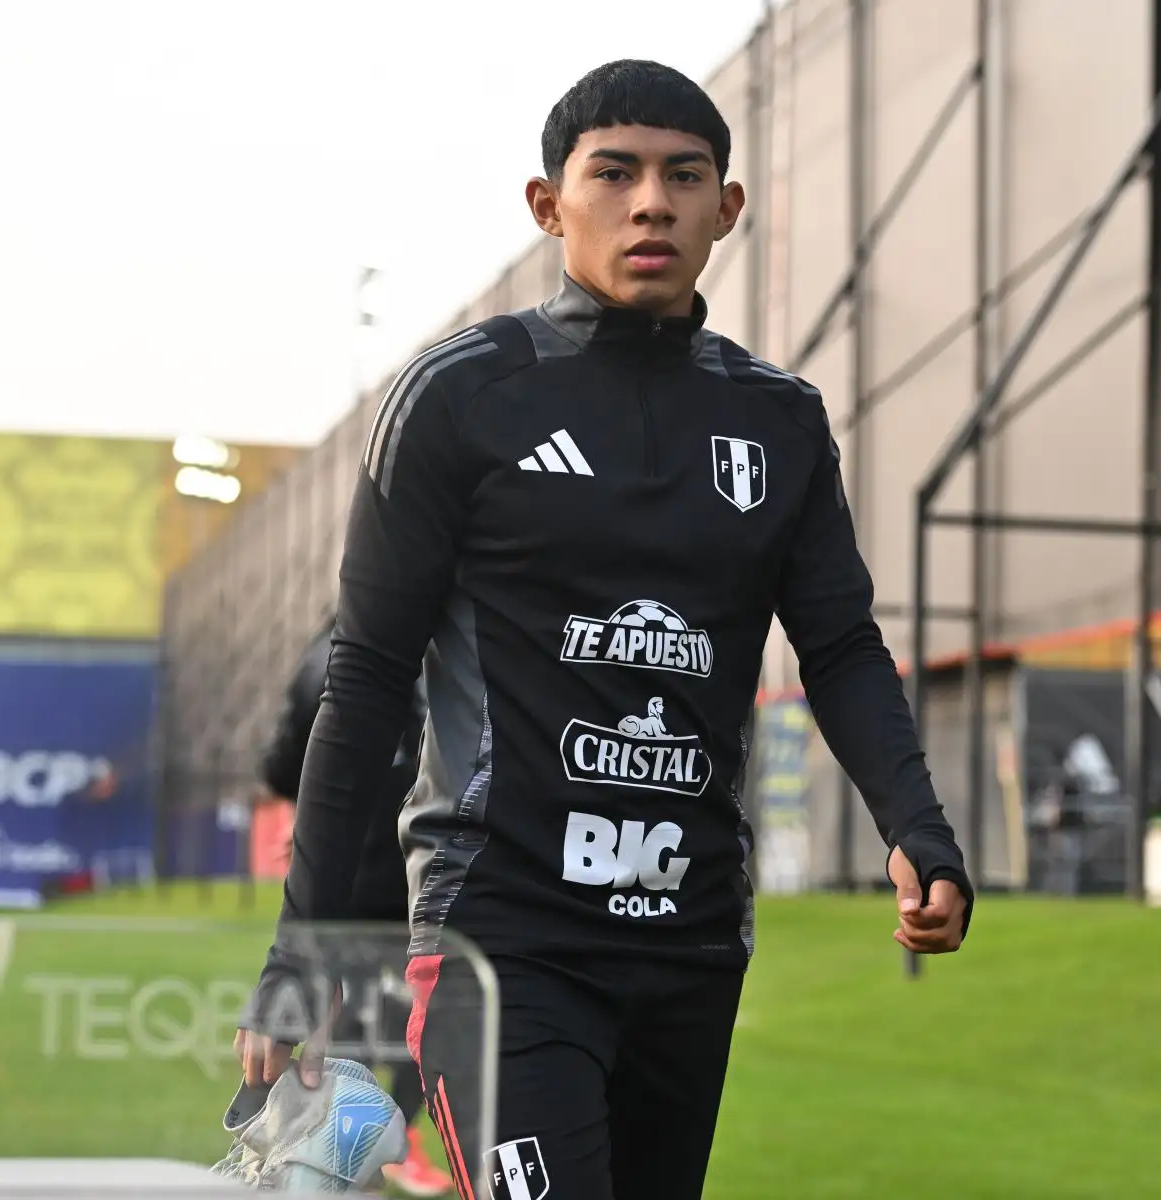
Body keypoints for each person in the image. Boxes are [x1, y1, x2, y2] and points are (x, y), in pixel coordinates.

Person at [237, 59, 974, 1199]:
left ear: (728, 208)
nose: (651, 205)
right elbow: (368, 677)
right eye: (615, 175)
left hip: (692, 936)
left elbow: (839, 647)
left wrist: (917, 827)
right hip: (498, 939)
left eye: (685, 177)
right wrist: (305, 954)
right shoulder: (459, 398)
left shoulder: (779, 420)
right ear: (549, 205)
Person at [250, 615, 452, 1197]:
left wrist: (313, 820)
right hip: (424, 875)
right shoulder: (448, 645)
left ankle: (353, 1150)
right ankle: (375, 1143)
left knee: (355, 1021)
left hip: (349, 876)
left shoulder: (330, 651)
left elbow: (282, 766)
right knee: (427, 1018)